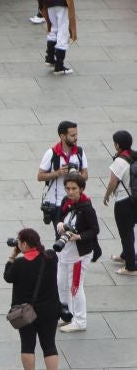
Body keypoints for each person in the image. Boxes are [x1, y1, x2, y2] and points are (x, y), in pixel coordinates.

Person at [3, 227, 63, 370]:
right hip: (50, 310)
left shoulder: (20, 264)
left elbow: (7, 277)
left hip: (26, 313)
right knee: (49, 345)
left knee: (27, 345)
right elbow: (49, 253)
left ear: (23, 243)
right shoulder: (51, 258)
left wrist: (13, 256)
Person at [53, 173, 101, 332]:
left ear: (81, 189)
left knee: (75, 286)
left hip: (79, 254)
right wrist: (60, 223)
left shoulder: (87, 208)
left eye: (74, 188)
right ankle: (67, 314)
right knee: (61, 283)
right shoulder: (66, 201)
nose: (70, 191)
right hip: (65, 252)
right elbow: (59, 215)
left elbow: (95, 230)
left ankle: (80, 320)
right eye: (67, 188)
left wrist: (78, 236)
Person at [102, 129, 136, 275]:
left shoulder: (120, 161)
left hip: (124, 201)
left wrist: (106, 195)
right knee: (129, 229)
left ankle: (130, 267)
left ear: (117, 145)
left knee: (125, 233)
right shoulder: (134, 156)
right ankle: (125, 256)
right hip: (135, 199)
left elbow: (112, 182)